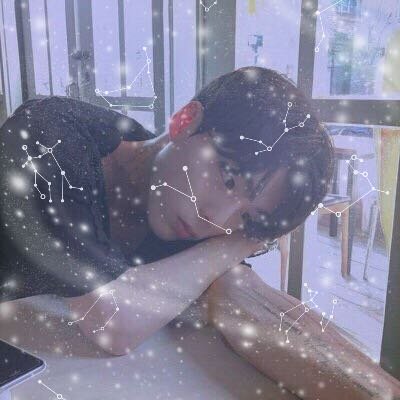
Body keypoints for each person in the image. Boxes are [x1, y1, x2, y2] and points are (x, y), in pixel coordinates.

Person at [0, 67, 399, 399]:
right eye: (229, 179)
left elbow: (246, 299)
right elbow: (112, 325)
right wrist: (245, 239)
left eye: (247, 217)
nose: (217, 220)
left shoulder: (185, 201)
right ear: (185, 121)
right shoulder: (50, 139)